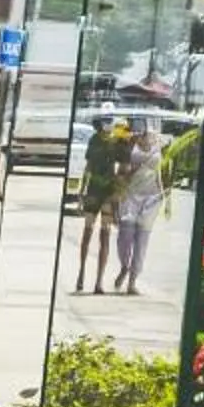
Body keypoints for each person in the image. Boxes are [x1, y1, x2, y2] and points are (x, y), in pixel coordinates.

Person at [112, 123, 164, 295]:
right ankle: (124, 266)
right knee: (125, 237)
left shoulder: (159, 144)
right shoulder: (130, 145)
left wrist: (163, 194)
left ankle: (132, 282)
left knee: (142, 243)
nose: (144, 135)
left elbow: (163, 173)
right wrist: (118, 193)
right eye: (141, 132)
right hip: (131, 196)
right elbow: (120, 173)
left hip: (151, 198)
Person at [77, 117, 124, 294]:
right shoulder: (94, 140)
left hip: (108, 190)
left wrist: (118, 194)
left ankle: (99, 281)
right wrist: (82, 190)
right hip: (93, 189)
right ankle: (81, 273)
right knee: (88, 230)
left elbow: (122, 167)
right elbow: (88, 165)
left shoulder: (117, 141)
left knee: (105, 234)